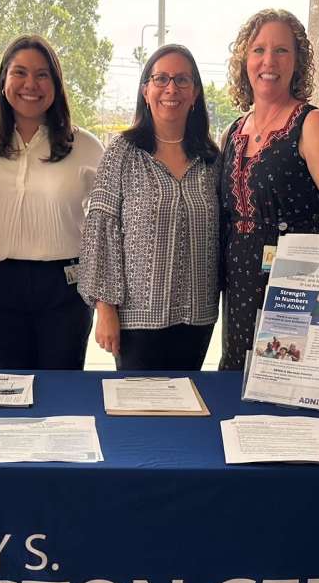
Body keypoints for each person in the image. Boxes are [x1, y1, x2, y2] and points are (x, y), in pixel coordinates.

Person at [217, 9, 319, 371]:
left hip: (293, 285)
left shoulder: (312, 124)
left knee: (283, 381)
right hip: (239, 285)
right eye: (258, 50)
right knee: (237, 380)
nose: (269, 61)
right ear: (244, 61)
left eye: (281, 51)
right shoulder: (235, 132)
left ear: (297, 62)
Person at [0, 36, 103, 369]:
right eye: (19, 73)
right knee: (6, 387)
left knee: (61, 389)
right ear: (3, 80)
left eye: (42, 75)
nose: (31, 85)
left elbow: (108, 221)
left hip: (65, 284)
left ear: (56, 84)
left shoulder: (85, 146)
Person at [79, 45, 220, 371]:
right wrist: (105, 309)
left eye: (182, 79)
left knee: (189, 404)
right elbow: (101, 231)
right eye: (161, 79)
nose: (171, 88)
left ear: (195, 92)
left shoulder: (210, 159)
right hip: (136, 321)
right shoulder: (123, 152)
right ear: (146, 90)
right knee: (137, 410)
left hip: (198, 317)